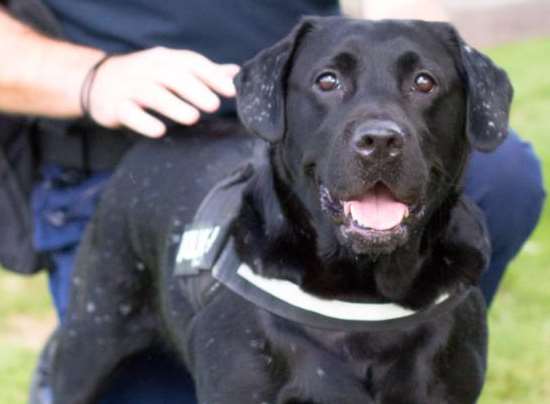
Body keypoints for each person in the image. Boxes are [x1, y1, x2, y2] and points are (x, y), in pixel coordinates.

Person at [0, 1, 544, 403]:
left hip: (294, 111)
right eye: (330, 80)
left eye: (422, 83)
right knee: (90, 375)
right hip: (120, 156)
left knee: (508, 174)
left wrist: (410, 38)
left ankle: (409, 334)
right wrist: (94, 77)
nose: (382, 129)